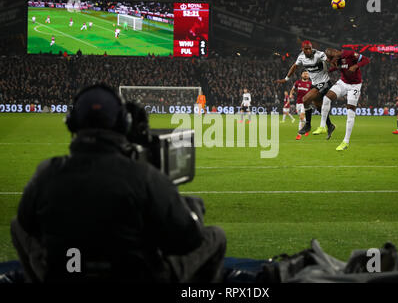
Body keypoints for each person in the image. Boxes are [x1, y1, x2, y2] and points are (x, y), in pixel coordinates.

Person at [10, 84, 226, 283]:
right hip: (139, 277)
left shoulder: (47, 172)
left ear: (72, 123)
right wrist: (194, 211)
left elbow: (26, 223)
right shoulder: (144, 176)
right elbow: (186, 239)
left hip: (67, 272)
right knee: (216, 236)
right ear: (123, 123)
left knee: (16, 225)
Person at [275, 40, 335, 137]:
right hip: (315, 84)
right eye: (306, 49)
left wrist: (335, 63)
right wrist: (286, 79)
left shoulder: (319, 54)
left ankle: (307, 125)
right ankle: (330, 125)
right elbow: (294, 66)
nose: (308, 51)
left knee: (305, 99)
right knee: (318, 107)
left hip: (325, 82)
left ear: (312, 48)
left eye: (309, 48)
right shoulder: (301, 57)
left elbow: (330, 60)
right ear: (302, 49)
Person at [315, 48, 370, 151]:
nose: (333, 61)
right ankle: (323, 126)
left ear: (336, 53)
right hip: (343, 83)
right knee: (327, 98)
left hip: (355, 85)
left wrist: (356, 66)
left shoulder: (349, 53)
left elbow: (366, 60)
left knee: (350, 112)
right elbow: (334, 68)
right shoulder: (336, 60)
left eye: (333, 59)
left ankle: (346, 141)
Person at [290, 70, 312, 140]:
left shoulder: (310, 84)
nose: (305, 75)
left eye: (307, 74)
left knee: (302, 117)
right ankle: (308, 126)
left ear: (308, 76)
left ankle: (299, 134)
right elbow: (293, 89)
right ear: (301, 75)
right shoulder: (297, 82)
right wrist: (291, 94)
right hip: (298, 102)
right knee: (301, 118)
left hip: (306, 103)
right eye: (304, 73)